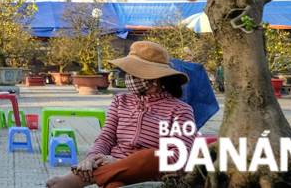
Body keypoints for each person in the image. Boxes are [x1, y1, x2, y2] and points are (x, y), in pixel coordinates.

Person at [45, 42, 197, 188]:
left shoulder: (180, 110)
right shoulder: (120, 100)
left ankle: (79, 179)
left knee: (151, 156)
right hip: (113, 174)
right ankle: (103, 173)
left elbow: (178, 158)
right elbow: (106, 138)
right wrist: (90, 160)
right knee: (113, 185)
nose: (128, 76)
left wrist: (116, 162)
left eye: (134, 72)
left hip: (152, 175)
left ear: (154, 77)